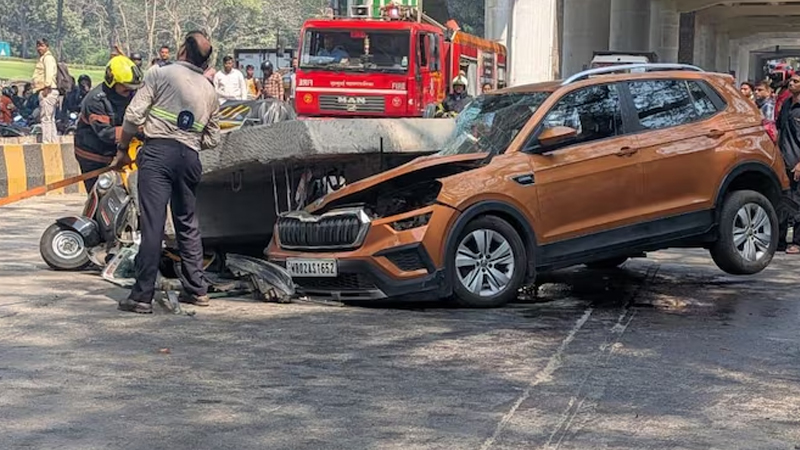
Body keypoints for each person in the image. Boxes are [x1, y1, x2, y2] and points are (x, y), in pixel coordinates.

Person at [113, 30, 220, 314]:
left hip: (158, 154)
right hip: (189, 158)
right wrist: (188, 138)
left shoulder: (159, 73)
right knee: (187, 222)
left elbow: (134, 116)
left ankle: (142, 296)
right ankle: (197, 290)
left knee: (153, 224)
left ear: (183, 49)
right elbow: (212, 138)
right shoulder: (209, 89)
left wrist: (123, 149)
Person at [74, 57, 142, 192]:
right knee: (100, 194)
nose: (130, 93)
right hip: (93, 156)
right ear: (112, 81)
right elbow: (106, 133)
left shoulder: (129, 96)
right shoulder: (95, 101)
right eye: (126, 88)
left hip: (116, 153)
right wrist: (136, 130)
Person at [776, 73, 800, 254]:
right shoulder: (786, 105)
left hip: (797, 162)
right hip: (783, 161)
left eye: (796, 82)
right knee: (784, 201)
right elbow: (779, 130)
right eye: (791, 81)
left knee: (798, 203)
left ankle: (797, 242)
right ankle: (780, 240)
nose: (791, 84)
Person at [32, 38, 60, 143]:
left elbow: (49, 74)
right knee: (50, 118)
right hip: (48, 90)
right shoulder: (43, 58)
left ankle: (47, 142)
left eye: (42, 46)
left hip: (47, 90)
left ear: (47, 47)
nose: (39, 48)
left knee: (46, 119)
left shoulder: (48, 58)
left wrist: (46, 88)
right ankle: (53, 141)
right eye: (38, 46)